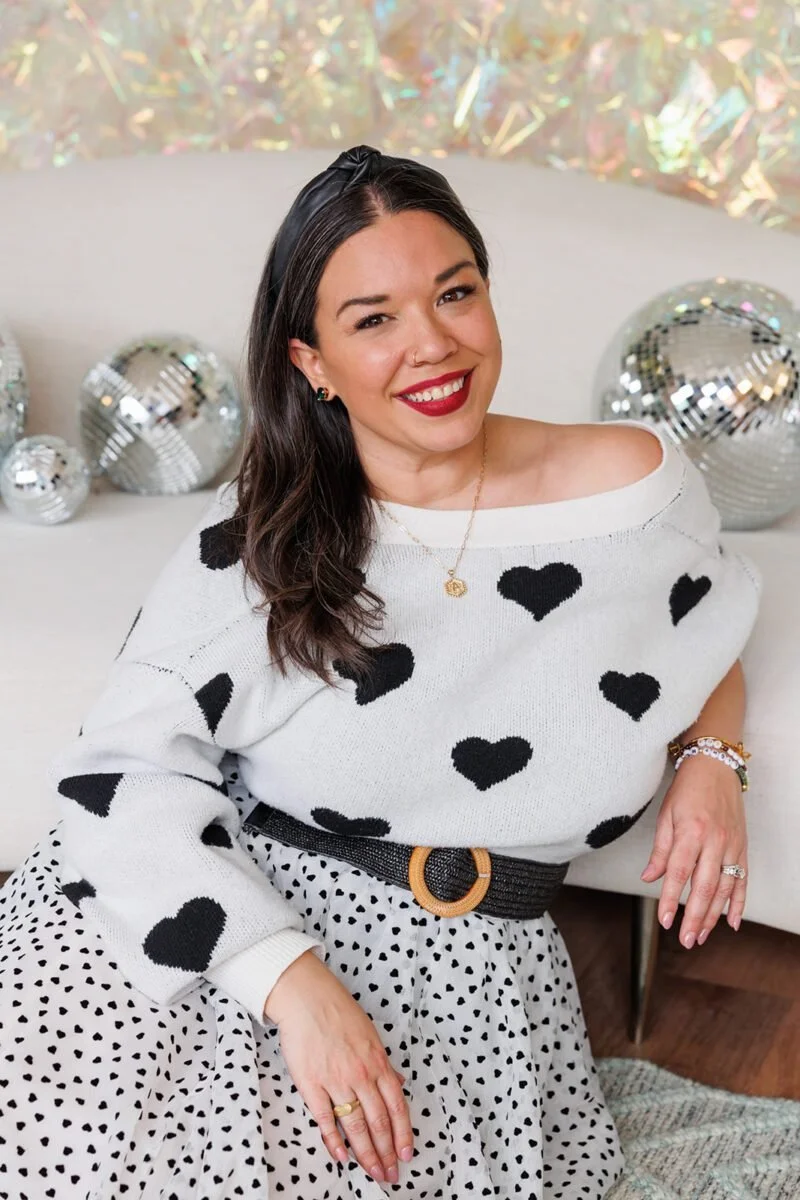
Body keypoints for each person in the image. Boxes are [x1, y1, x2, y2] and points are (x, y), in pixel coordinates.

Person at [0, 144, 761, 1199]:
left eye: (455, 293)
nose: (432, 345)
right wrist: (289, 982)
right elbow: (112, 779)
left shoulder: (628, 488)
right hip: (232, 924)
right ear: (310, 359)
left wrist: (712, 757)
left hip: (475, 964)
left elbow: (704, 622)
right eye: (373, 320)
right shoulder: (259, 541)